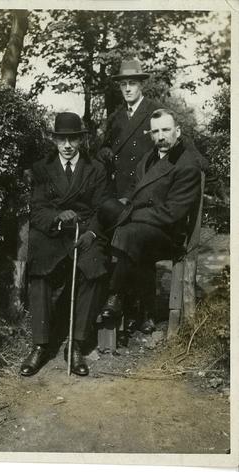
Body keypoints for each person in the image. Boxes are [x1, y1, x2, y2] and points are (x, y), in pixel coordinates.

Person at [20, 112, 110, 377]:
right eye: (62, 139)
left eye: (73, 139)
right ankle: (40, 344)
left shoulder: (96, 169)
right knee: (39, 265)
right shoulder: (41, 169)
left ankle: (76, 344)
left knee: (94, 263)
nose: (67, 145)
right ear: (54, 140)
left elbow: (102, 209)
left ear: (81, 140)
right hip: (53, 232)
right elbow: (37, 210)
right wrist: (57, 217)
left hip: (84, 232)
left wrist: (92, 234)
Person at [98, 108, 202, 326]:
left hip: (166, 234)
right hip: (141, 226)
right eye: (156, 132)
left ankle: (115, 296)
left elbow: (172, 213)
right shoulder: (148, 158)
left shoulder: (186, 165)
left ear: (178, 131)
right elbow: (135, 189)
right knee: (105, 212)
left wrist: (132, 214)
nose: (161, 136)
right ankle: (115, 305)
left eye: (166, 130)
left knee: (128, 232)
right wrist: (124, 203)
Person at [98, 59, 162, 333]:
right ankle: (117, 306)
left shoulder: (155, 112)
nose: (127, 88)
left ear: (141, 85)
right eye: (123, 84)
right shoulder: (115, 117)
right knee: (114, 241)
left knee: (141, 245)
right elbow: (103, 147)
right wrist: (103, 152)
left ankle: (144, 311)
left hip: (146, 194)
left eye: (132, 83)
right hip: (119, 194)